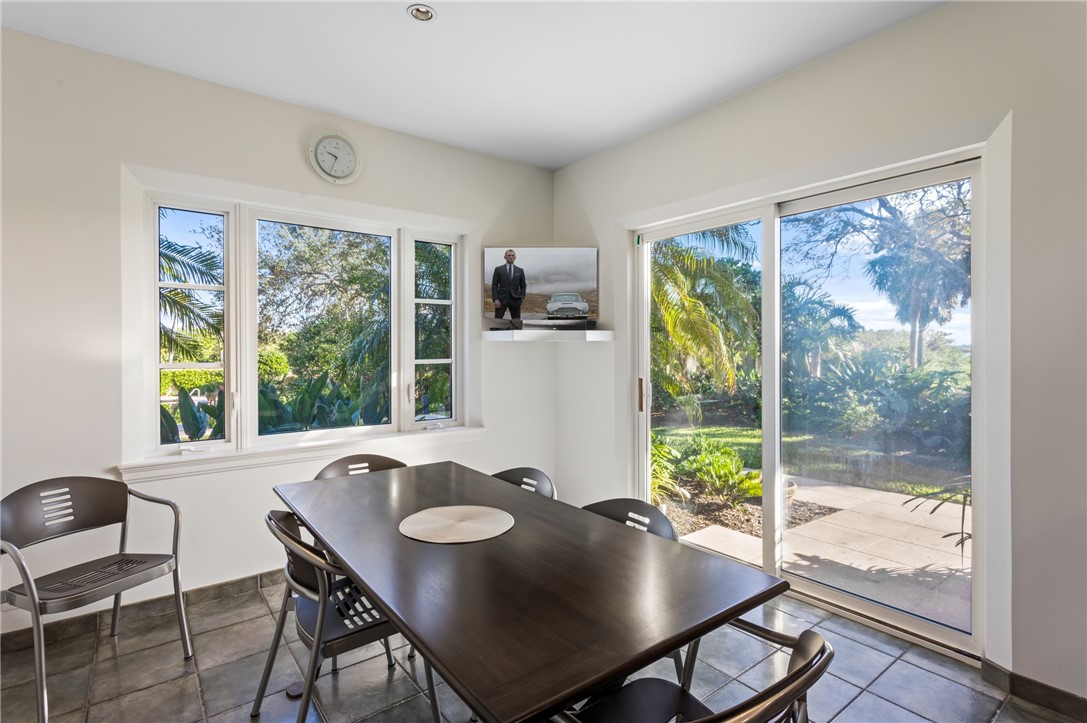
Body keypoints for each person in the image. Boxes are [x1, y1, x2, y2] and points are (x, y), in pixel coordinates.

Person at [491, 248, 526, 319]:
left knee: (516, 322)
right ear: (505, 257)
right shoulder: (498, 269)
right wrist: (495, 299)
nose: (511, 257)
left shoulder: (520, 270)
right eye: (509, 255)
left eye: (512, 255)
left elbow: (523, 285)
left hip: (515, 300)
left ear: (515, 257)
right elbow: (494, 285)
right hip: (501, 300)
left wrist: (522, 297)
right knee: (497, 322)